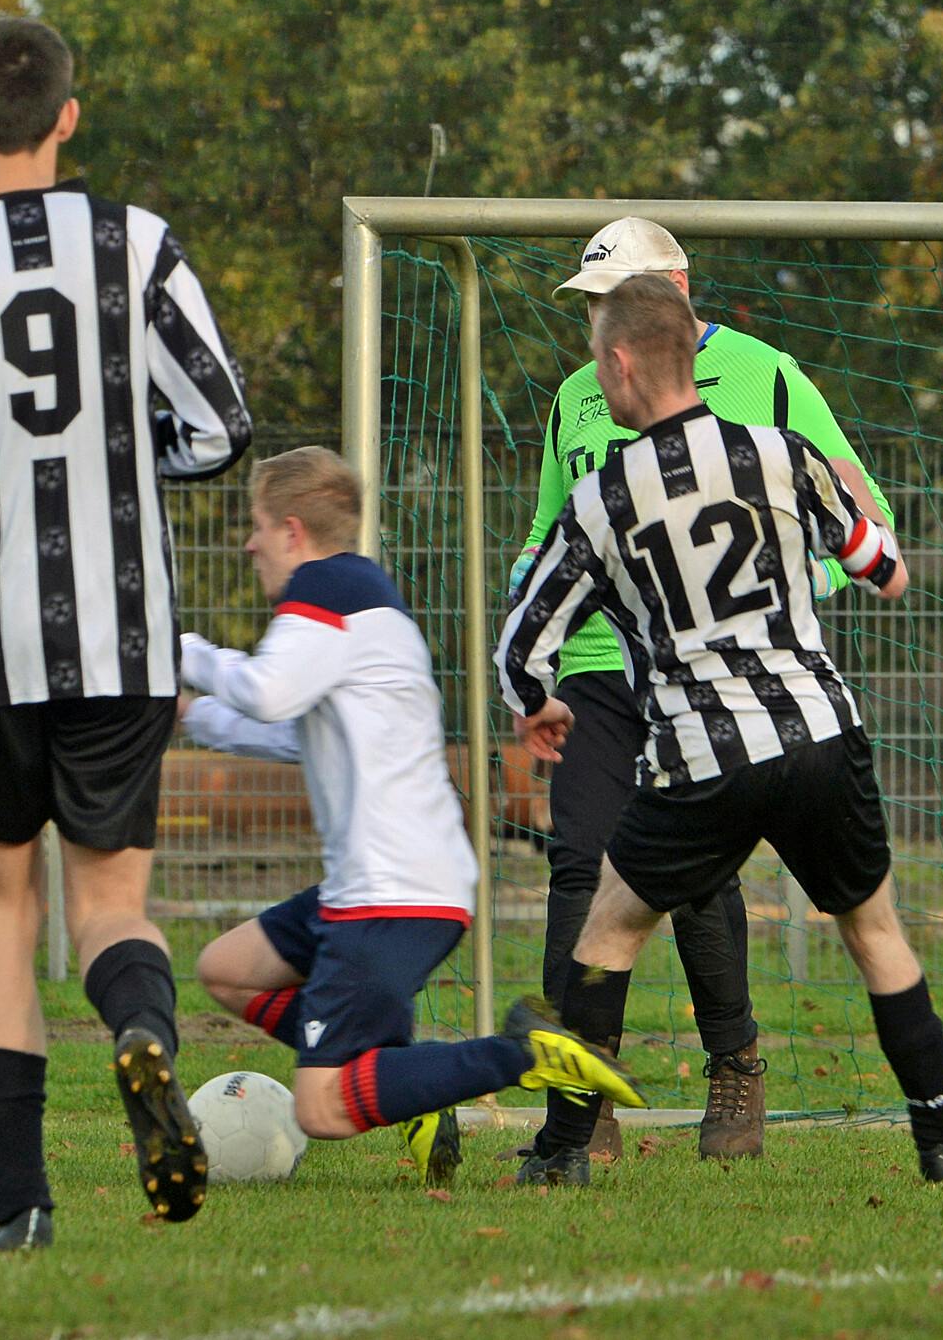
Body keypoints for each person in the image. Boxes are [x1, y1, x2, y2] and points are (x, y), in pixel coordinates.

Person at [0, 17, 252, 1248]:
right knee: (110, 903)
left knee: (4, 910)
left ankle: (20, 1207)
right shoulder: (138, 244)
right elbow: (220, 424)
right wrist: (127, 454)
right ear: (69, 117)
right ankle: (142, 1032)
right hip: (124, 633)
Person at [495, 274, 943, 1188]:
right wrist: (854, 516)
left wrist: (535, 702)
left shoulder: (602, 498)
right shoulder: (782, 453)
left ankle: (564, 1150)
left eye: (600, 364)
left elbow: (524, 639)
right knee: (874, 929)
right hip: (818, 733)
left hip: (701, 751)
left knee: (608, 930)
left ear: (622, 364)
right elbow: (884, 569)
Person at [181, 446, 642, 1186]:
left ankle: (521, 1054)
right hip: (387, 885)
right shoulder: (363, 602)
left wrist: (178, 650)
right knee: (228, 971)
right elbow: (291, 732)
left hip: (389, 894)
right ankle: (402, 1078)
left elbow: (266, 693)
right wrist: (188, 715)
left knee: (322, 1108)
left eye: (258, 526)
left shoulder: (326, 589)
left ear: (292, 531)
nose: (249, 544)